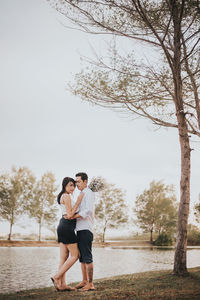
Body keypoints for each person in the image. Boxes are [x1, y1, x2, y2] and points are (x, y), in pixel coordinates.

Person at [51, 177, 84, 291]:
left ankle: (62, 285)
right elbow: (70, 214)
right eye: (70, 185)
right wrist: (79, 202)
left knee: (63, 258)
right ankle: (56, 277)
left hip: (63, 225)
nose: (73, 187)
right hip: (67, 227)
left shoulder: (62, 196)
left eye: (74, 185)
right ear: (64, 185)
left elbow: (68, 213)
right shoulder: (66, 196)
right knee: (75, 256)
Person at [66, 172, 95, 292]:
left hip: (86, 228)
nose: (76, 183)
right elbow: (79, 209)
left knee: (87, 257)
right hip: (79, 229)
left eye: (78, 181)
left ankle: (91, 283)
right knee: (82, 257)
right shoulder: (82, 193)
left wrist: (73, 216)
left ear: (85, 181)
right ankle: (84, 281)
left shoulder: (88, 193)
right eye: (76, 181)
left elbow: (87, 210)